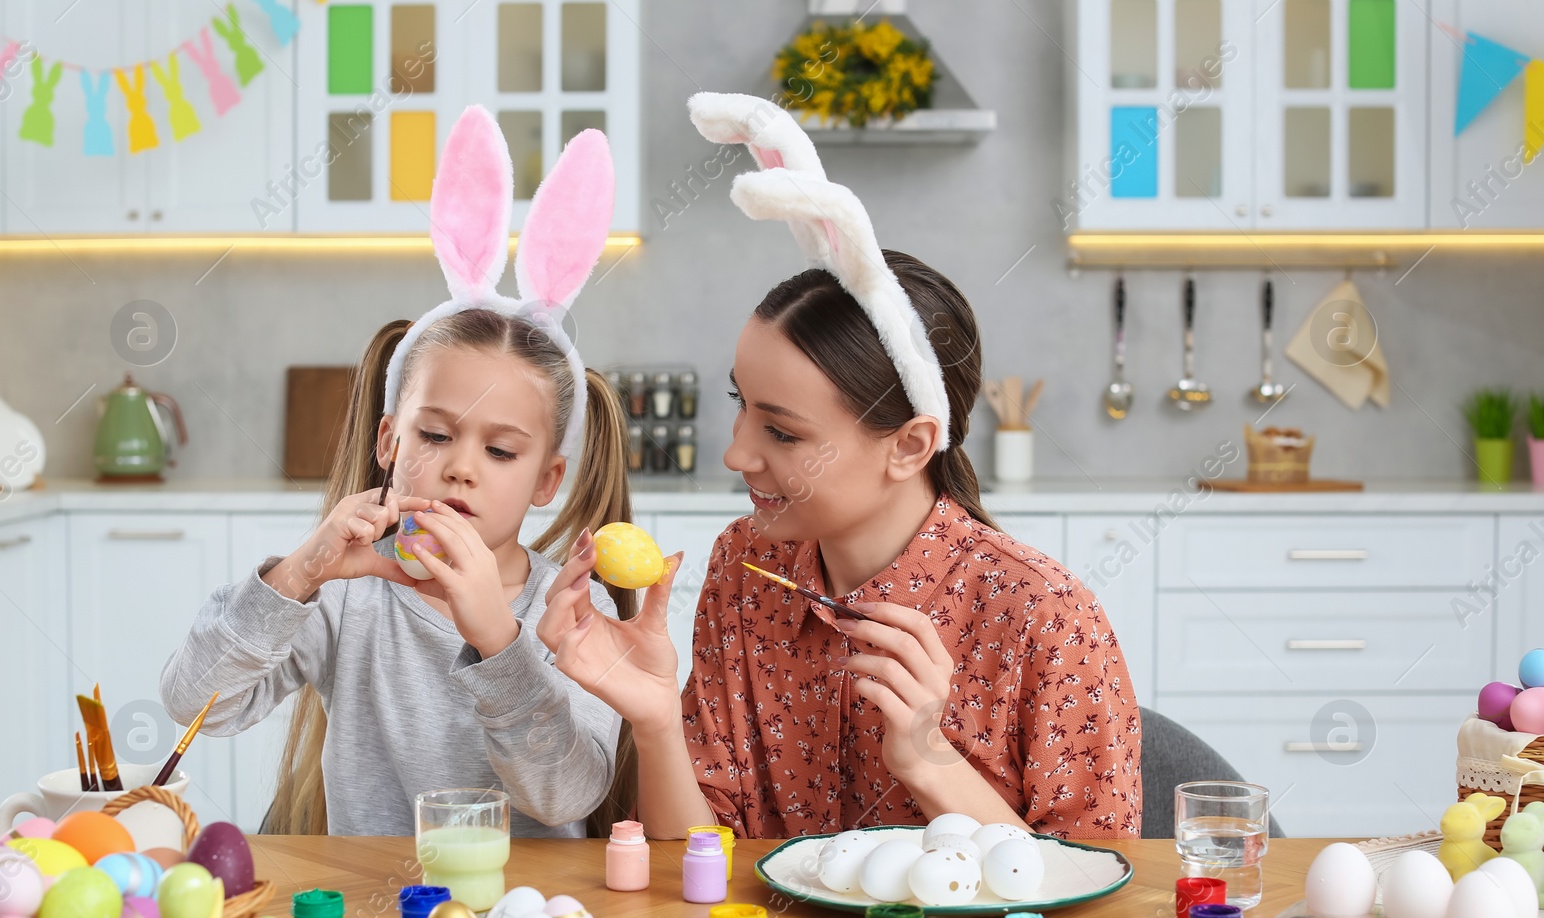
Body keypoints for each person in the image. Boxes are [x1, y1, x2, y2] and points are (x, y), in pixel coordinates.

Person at [537, 93, 1142, 840]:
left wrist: (927, 758)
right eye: (742, 404)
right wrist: (658, 718)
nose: (735, 453)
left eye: (783, 433)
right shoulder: (744, 567)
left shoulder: (1045, 620)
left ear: (911, 445)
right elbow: (695, 861)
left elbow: (1094, 890)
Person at [160, 107, 636, 836]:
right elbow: (197, 703)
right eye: (436, 434)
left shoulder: (569, 613)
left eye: (501, 450)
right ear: (388, 440)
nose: (460, 469)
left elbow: (565, 796)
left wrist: (498, 639)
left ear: (548, 479)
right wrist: (299, 574)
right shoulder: (348, 597)